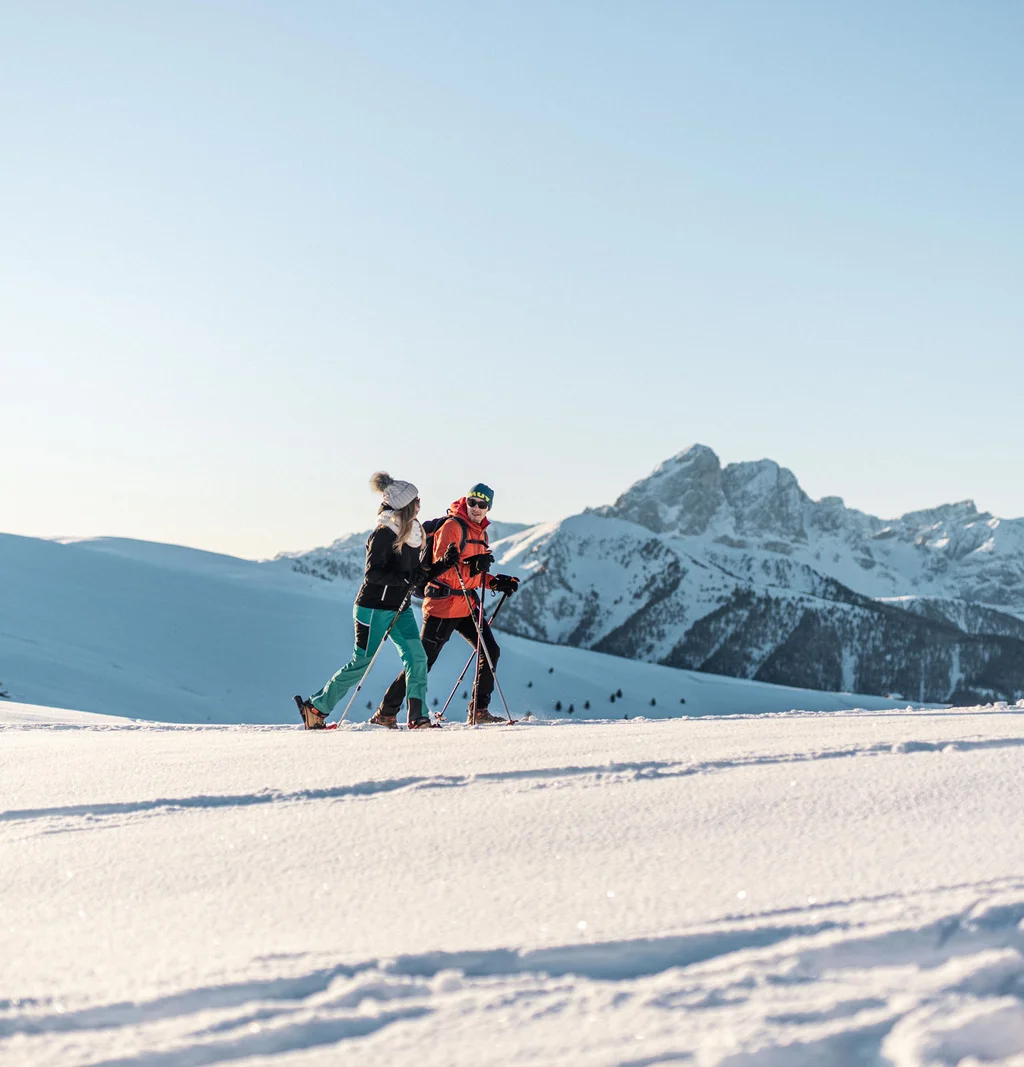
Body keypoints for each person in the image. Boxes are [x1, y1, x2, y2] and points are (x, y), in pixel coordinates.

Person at [294, 472, 455, 730]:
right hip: (372, 609)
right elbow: (373, 574)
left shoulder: (413, 532)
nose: (420, 503)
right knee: (361, 663)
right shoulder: (383, 533)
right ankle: (315, 708)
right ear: (404, 506)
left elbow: (416, 576)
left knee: (417, 658)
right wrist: (405, 579)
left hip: (399, 609)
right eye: (416, 500)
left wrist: (443, 565)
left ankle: (418, 717)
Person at [376, 482, 520, 726]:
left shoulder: (481, 533)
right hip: (442, 605)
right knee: (423, 662)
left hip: (465, 606)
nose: (475, 507)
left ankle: (479, 710)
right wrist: (473, 566)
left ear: (488, 508)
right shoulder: (453, 527)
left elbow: (473, 575)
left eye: (481, 504)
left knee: (490, 650)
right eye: (472, 502)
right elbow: (440, 570)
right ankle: (387, 710)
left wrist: (495, 583)